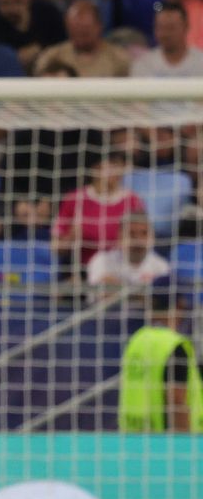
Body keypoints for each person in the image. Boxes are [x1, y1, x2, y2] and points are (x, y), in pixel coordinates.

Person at [119, 282, 203, 432]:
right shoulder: (174, 345)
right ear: (180, 306)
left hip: (133, 438)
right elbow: (176, 400)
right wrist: (185, 445)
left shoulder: (137, 339)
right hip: (165, 444)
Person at [53, 150, 146, 279]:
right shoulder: (74, 199)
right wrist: (71, 236)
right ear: (95, 168)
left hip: (122, 270)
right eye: (110, 165)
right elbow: (56, 247)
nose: (115, 170)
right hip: (81, 270)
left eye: (118, 165)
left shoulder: (133, 200)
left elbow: (144, 237)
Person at [34, 0, 130, 76]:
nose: (79, 34)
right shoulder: (51, 57)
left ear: (99, 26)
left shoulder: (119, 59)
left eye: (85, 29)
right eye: (74, 29)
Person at [0, 0, 66, 72]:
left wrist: (38, 48)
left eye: (17, 1)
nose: (11, 8)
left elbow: (63, 47)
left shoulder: (48, 13)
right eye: (4, 3)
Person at [86, 212, 169, 287]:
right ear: (120, 237)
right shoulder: (102, 260)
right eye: (131, 234)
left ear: (152, 237)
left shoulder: (161, 266)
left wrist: (117, 285)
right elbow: (101, 291)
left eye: (144, 233)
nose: (138, 239)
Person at [132, 2, 203, 76]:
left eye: (171, 28)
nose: (165, 34)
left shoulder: (200, 62)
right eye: (160, 28)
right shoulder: (144, 64)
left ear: (186, 27)